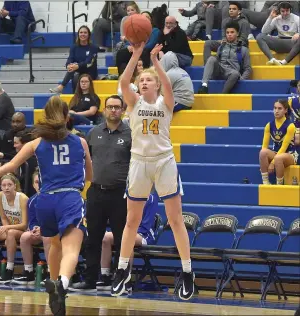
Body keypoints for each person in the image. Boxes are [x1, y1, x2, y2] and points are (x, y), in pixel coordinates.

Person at [0, 96, 93, 316]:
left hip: (45, 200)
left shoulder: (36, 143)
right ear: (67, 117)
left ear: (45, 117)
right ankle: (63, 284)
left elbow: (11, 164)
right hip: (69, 197)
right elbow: (90, 176)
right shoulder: (80, 142)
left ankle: (54, 287)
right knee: (71, 249)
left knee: (54, 245)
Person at [111, 41, 194, 301]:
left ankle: (187, 271)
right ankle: (122, 269)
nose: (145, 82)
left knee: (176, 219)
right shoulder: (133, 103)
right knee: (131, 222)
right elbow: (124, 83)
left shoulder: (165, 104)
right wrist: (136, 54)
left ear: (157, 84)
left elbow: (168, 86)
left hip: (164, 161)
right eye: (142, 79)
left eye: (149, 80)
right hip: (139, 162)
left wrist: (156, 62)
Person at [69, 95, 131, 292]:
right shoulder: (94, 132)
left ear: (123, 110)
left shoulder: (131, 134)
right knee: (93, 238)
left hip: (120, 193)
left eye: (117, 107)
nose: (113, 110)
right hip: (96, 192)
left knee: (122, 239)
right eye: (110, 107)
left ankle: (121, 279)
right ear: (104, 110)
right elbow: (84, 159)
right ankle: (89, 279)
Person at [98, 192, 159, 291]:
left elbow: (146, 225)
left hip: (144, 234)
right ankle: (105, 276)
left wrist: (128, 232)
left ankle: (126, 280)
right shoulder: (127, 195)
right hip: (127, 231)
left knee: (128, 239)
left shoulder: (151, 198)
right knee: (106, 238)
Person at [11, 170, 51, 285]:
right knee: (24, 237)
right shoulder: (31, 201)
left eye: (42, 182)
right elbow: (31, 221)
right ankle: (28, 272)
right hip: (38, 232)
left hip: (52, 231)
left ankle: (50, 272)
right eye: (37, 182)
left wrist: (43, 229)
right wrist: (35, 229)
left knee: (48, 237)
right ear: (33, 185)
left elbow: (56, 220)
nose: (39, 185)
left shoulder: (54, 198)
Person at [198, 21, 252, 94]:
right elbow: (216, 60)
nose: (229, 34)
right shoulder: (221, 46)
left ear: (237, 34)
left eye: (232, 32)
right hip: (219, 70)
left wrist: (242, 79)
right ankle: (204, 86)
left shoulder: (244, 50)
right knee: (211, 58)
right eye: (227, 32)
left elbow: (248, 68)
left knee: (235, 73)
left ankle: (223, 94)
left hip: (231, 73)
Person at [50, 25, 98, 94]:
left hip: (90, 71)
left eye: (85, 32)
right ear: (78, 34)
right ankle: (73, 95)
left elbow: (89, 62)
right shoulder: (74, 47)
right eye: (81, 32)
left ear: (89, 35)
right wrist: (68, 65)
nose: (83, 34)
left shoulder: (93, 47)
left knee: (76, 74)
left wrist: (77, 66)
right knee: (73, 72)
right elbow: (70, 59)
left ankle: (62, 86)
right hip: (78, 69)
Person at [260, 99, 297, 185]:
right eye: (275, 108)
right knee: (263, 152)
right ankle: (266, 182)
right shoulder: (269, 125)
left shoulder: (290, 126)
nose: (276, 111)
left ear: (285, 110)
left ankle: (279, 184)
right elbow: (264, 146)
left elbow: (284, 148)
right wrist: (263, 161)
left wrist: (272, 163)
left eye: (279, 108)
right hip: (276, 153)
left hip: (290, 155)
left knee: (278, 158)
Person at [116, 11, 160, 76]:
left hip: (146, 51)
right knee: (121, 53)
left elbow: (151, 44)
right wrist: (129, 46)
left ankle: (144, 75)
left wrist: (139, 48)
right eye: (143, 17)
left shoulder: (155, 30)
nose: (145, 18)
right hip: (135, 49)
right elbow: (131, 41)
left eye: (147, 17)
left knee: (145, 52)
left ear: (151, 21)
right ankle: (121, 75)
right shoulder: (136, 29)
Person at [13, 130, 38, 197]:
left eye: (16, 143)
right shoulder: (22, 158)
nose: (14, 146)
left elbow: (28, 179)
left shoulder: (31, 160)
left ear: (25, 144)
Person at [288, 80, 300, 145]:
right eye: (299, 86)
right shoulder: (291, 101)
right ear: (297, 88)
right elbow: (286, 117)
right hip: (296, 127)